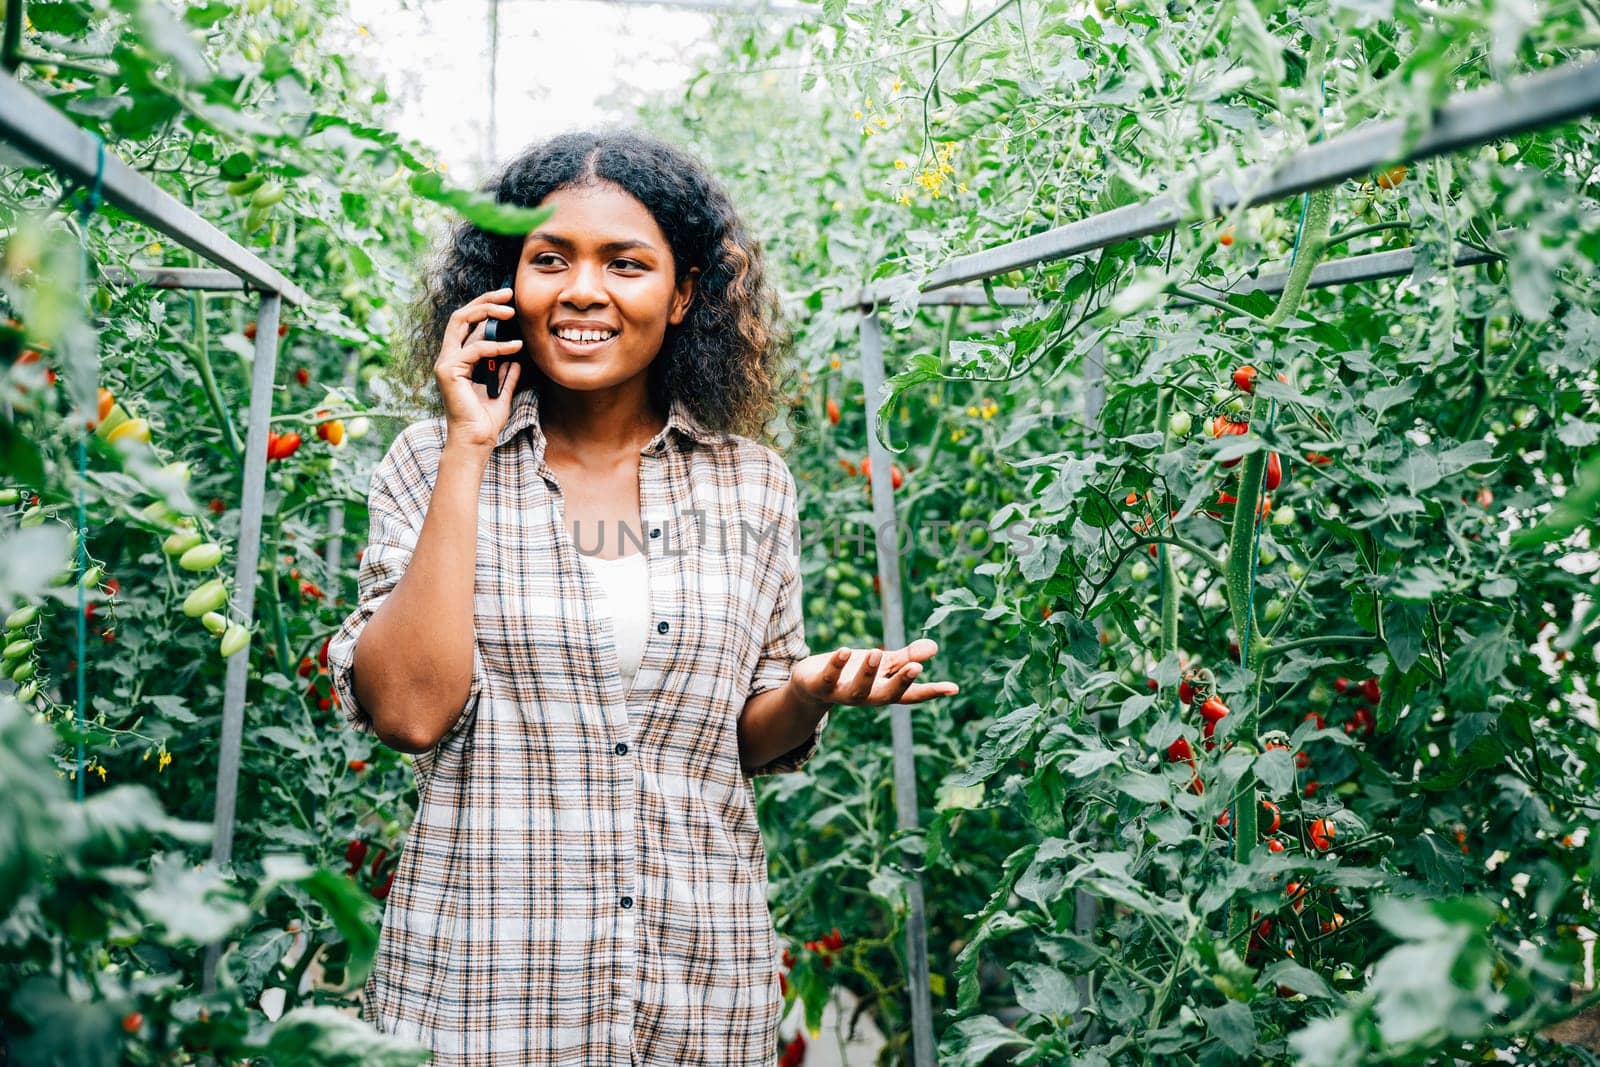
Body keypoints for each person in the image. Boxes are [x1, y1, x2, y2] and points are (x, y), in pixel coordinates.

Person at [325, 129, 959, 1066]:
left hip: (699, 981)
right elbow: (411, 713)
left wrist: (809, 691)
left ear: (684, 291)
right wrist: (467, 442)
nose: (584, 290)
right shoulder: (432, 463)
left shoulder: (751, 483)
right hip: (486, 983)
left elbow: (738, 738)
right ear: (506, 284)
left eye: (625, 262)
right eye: (551, 260)